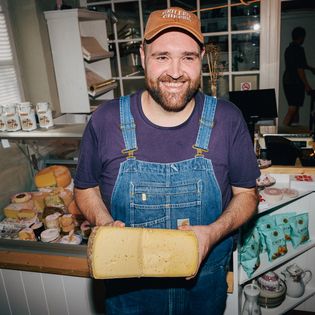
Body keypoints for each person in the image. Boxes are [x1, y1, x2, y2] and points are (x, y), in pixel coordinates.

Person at [74, 6, 260, 315]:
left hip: (204, 292)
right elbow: (85, 189)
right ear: (142, 56)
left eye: (187, 57)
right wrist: (105, 224)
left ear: (200, 57)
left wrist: (212, 233)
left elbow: (247, 196)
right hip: (129, 294)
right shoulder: (105, 121)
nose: (175, 71)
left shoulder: (227, 120)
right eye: (162, 57)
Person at [283, 26, 315, 127]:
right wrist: (307, 85)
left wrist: (310, 68)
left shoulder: (288, 49)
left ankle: (293, 129)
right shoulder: (299, 50)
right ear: (301, 37)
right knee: (293, 108)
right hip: (294, 82)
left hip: (288, 80)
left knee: (295, 108)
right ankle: (282, 131)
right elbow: (299, 69)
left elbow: (299, 65)